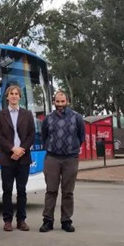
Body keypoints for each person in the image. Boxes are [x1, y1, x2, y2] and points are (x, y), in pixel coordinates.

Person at [39, 91, 84, 233]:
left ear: (67, 102)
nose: (60, 105)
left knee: (68, 192)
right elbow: (44, 136)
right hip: (52, 158)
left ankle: (66, 221)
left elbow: (81, 137)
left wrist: (72, 148)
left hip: (70, 159)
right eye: (57, 102)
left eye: (62, 102)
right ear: (54, 102)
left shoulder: (77, 118)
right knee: (51, 190)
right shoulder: (48, 119)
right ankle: (48, 221)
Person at [0, 84, 35, 232]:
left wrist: (21, 150)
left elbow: (31, 135)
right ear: (7, 97)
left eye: (16, 94)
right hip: (7, 157)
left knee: (22, 190)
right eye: (11, 93)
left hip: (23, 158)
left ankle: (21, 220)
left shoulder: (27, 114)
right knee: (7, 190)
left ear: (19, 97)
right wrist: (12, 149)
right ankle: (7, 220)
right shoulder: (0, 115)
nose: (14, 96)